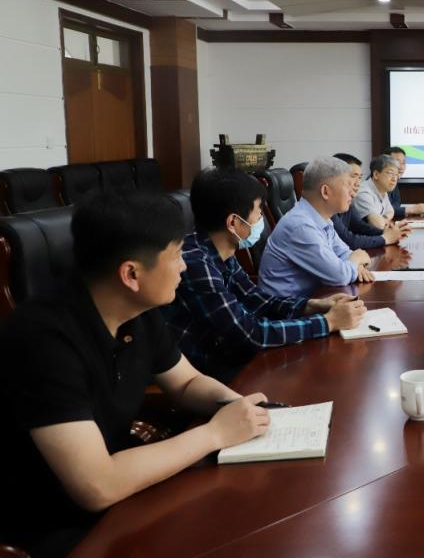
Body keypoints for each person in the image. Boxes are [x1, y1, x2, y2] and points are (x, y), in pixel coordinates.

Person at [0, 192, 272, 557]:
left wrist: (238, 407)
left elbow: (186, 382)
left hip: (126, 488)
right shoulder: (42, 339)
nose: (184, 267)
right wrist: (216, 433)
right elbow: (96, 485)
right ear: (131, 274)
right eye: (176, 255)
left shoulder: (137, 312)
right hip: (53, 524)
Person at [163, 168, 365, 382]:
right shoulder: (196, 264)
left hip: (232, 354)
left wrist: (313, 306)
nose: (261, 219)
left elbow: (256, 299)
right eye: (258, 212)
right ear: (233, 223)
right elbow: (249, 335)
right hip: (208, 372)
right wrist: (328, 322)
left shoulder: (221, 251)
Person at [259, 157, 375, 297]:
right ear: (325, 192)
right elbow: (340, 275)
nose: (354, 193)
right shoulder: (301, 226)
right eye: (348, 186)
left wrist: (354, 262)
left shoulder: (322, 219)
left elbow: (344, 253)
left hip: (313, 299)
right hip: (288, 307)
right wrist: (356, 260)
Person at [332, 152, 409, 250]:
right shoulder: (330, 208)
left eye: (359, 177)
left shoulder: (347, 201)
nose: (358, 183)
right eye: (353, 176)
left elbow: (360, 226)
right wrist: (385, 238)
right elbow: (349, 240)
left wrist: (388, 232)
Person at [351, 154, 401, 230]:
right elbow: (378, 225)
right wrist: (384, 221)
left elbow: (391, 211)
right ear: (376, 174)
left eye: (396, 175)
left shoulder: (382, 189)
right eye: (391, 173)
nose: (394, 179)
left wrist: (384, 218)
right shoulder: (363, 193)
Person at [381, 146, 424, 219]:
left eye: (403, 163)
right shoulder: (379, 182)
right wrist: (411, 209)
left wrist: (396, 210)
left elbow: (396, 202)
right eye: (397, 162)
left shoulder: (394, 179)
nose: (401, 167)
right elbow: (383, 210)